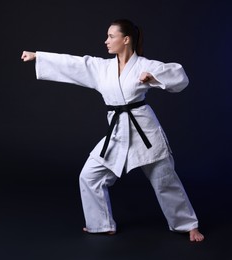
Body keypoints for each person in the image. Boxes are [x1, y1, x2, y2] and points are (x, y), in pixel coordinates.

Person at [21, 18, 204, 242]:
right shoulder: (102, 68)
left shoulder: (145, 65)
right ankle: (101, 224)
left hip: (145, 132)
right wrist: (39, 56)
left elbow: (179, 76)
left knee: (165, 179)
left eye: (111, 36)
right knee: (90, 176)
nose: (106, 41)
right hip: (117, 134)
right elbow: (76, 64)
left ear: (125, 40)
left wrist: (154, 78)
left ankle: (187, 225)